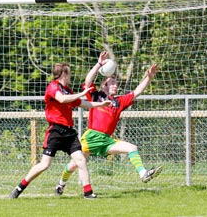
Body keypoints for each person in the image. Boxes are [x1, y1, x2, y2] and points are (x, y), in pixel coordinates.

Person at [55, 52, 163, 196]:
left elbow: (137, 92)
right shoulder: (96, 96)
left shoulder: (119, 101)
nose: (115, 85)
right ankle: (61, 184)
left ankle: (143, 174)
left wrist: (149, 77)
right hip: (92, 137)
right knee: (74, 164)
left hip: (107, 140)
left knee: (132, 148)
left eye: (116, 83)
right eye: (112, 83)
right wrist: (99, 64)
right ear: (104, 86)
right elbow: (87, 81)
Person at [9, 62, 111, 199]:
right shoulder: (53, 87)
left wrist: (100, 104)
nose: (71, 76)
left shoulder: (68, 90)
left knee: (81, 160)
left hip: (69, 133)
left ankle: (88, 192)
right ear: (63, 74)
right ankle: (19, 187)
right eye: (69, 73)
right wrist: (81, 93)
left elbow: (82, 103)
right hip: (56, 131)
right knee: (44, 164)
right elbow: (62, 99)